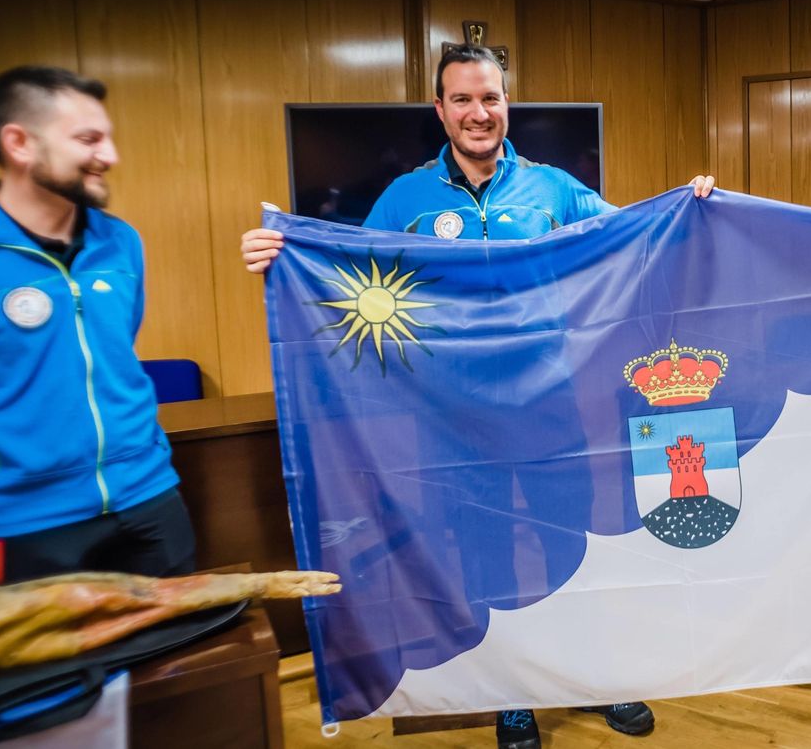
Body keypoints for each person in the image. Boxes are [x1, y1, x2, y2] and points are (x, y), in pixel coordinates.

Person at [241, 44, 715, 749]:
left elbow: (630, 239)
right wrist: (283, 268)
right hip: (453, 420)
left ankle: (601, 677)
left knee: (573, 549)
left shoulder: (553, 188)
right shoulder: (404, 200)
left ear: (506, 105)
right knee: (486, 558)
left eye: (489, 98)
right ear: (440, 110)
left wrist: (689, 208)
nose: (477, 112)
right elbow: (351, 290)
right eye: (461, 99)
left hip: (552, 406)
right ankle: (514, 693)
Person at [0, 65, 196, 589]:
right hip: (22, 524)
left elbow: (117, 352)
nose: (110, 156)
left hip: (150, 500)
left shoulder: (121, 242)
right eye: (88, 139)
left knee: (175, 669)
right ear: (19, 144)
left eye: (109, 138)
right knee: (57, 674)